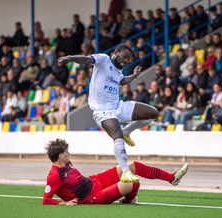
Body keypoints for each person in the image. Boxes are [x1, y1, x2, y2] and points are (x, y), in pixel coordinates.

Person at [58, 43, 158, 183]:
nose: (126, 61)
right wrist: (70, 57)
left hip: (118, 106)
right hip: (102, 110)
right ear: (116, 52)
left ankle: (127, 131)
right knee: (117, 134)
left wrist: (135, 75)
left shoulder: (118, 70)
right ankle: (126, 171)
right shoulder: (104, 59)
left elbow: (123, 82)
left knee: (153, 113)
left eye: (129, 59)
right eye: (124, 57)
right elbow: (87, 59)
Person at [42, 138, 189, 205]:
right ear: (60, 156)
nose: (69, 153)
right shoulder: (54, 175)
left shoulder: (65, 163)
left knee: (132, 166)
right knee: (132, 184)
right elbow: (46, 199)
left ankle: (172, 178)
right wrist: (62, 203)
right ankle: (127, 200)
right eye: (66, 152)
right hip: (92, 197)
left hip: (95, 180)